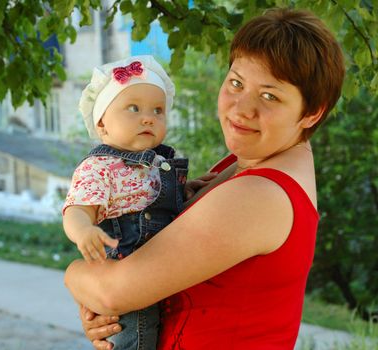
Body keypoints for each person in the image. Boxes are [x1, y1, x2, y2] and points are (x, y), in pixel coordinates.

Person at [65, 7, 345, 349]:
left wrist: (77, 277)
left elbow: (113, 292)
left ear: (312, 112)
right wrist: (109, 314)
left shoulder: (260, 194)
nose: (242, 108)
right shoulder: (249, 159)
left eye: (270, 95)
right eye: (237, 83)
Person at [62, 55, 190, 350]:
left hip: (162, 274)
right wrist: (83, 231)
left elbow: (165, 202)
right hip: (128, 278)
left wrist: (188, 190)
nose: (148, 117)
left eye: (158, 110)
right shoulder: (99, 167)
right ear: (102, 124)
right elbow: (77, 208)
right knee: (135, 339)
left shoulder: (160, 162)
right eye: (133, 108)